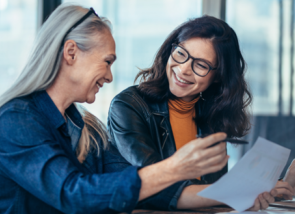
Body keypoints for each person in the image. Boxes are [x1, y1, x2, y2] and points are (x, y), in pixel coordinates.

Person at [0, 5, 230, 214]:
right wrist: (174, 167)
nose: (109, 77)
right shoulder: (15, 120)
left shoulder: (88, 131)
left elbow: (144, 188)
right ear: (71, 53)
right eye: (107, 62)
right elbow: (73, 194)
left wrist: (234, 196)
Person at [107, 15, 294, 210]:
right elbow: (153, 185)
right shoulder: (129, 105)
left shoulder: (212, 117)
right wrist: (237, 194)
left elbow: (216, 193)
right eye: (181, 53)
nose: (184, 69)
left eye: (201, 65)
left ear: (217, 77)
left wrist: (278, 187)